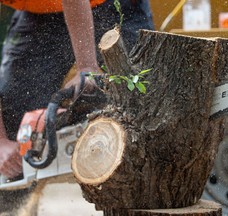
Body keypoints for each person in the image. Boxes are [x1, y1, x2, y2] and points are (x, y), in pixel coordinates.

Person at [0, 0, 154, 214]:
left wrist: (87, 66)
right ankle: (15, 208)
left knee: (139, 101)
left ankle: (147, 204)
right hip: (37, 12)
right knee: (16, 120)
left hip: (114, 5)